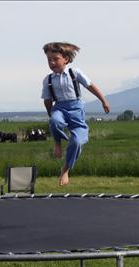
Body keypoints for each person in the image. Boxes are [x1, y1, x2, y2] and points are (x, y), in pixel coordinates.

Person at [41, 42, 110, 186]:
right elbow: (47, 100)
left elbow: (90, 86)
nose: (52, 62)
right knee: (55, 121)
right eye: (49, 60)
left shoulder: (75, 73)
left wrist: (103, 100)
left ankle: (66, 169)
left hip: (76, 110)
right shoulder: (47, 80)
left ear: (66, 59)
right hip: (59, 108)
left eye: (56, 59)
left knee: (77, 142)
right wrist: (52, 117)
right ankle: (57, 142)